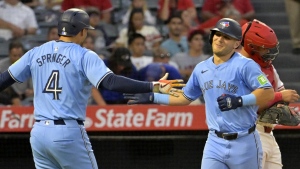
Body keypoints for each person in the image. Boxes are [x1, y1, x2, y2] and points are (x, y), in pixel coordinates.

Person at [0, 8, 184, 169]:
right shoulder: (83, 55)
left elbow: (4, 79)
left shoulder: (35, 51)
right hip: (67, 132)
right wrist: (153, 86)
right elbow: (110, 82)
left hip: (39, 133)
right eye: (86, 29)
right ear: (80, 31)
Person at [125, 18, 275, 169]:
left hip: (245, 142)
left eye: (226, 37)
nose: (220, 39)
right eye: (217, 34)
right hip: (215, 142)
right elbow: (185, 97)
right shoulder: (201, 68)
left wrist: (239, 101)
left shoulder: (246, 65)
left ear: (236, 43)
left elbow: (268, 92)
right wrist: (153, 97)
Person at [240, 19, 300, 169]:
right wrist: (279, 97)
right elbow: (249, 101)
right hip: (249, 133)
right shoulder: (238, 67)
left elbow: (280, 91)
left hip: (268, 134)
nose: (268, 52)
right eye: (264, 48)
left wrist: (280, 103)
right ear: (251, 46)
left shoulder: (268, 67)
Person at [0, 40, 34, 105]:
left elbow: (33, 87)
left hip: (25, 98)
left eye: (19, 55)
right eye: (14, 56)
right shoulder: (1, 66)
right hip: (6, 99)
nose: (17, 58)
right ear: (9, 54)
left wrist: (31, 91)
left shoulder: (29, 66)